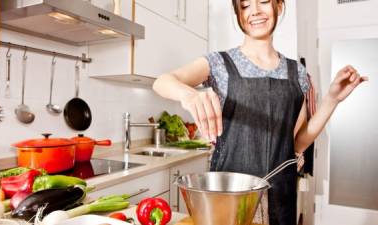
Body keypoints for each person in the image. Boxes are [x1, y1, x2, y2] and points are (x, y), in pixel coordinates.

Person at [152, 0, 368, 224]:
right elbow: (162, 82)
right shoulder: (219, 64)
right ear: (238, 13)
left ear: (279, 6)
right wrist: (189, 95)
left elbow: (297, 143)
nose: (254, 11)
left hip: (280, 196)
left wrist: (332, 99)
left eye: (263, 1)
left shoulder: (298, 73)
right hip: (230, 198)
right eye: (245, 5)